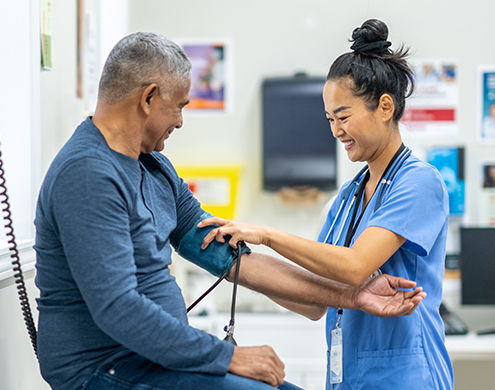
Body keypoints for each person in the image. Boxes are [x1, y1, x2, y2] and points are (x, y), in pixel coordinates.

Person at [34, 32, 425, 390]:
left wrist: (353, 296)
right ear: (148, 97)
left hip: (155, 360)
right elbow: (117, 309)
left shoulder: (153, 167)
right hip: (105, 368)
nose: (181, 122)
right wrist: (228, 356)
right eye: (179, 107)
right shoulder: (88, 174)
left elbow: (232, 257)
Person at [199, 19, 453, 389]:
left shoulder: (418, 181)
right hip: (349, 378)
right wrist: (245, 268)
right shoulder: (347, 199)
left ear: (385, 107)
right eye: (330, 119)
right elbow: (314, 302)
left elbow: (354, 268)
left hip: (406, 376)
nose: (336, 131)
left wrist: (267, 235)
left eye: (344, 117)